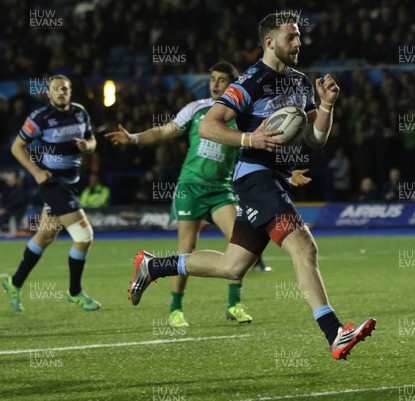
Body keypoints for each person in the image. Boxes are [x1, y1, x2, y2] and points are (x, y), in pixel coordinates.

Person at [127, 13, 375, 360]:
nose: (299, 43)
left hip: (274, 180)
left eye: (300, 36)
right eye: (291, 37)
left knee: (233, 266)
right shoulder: (250, 80)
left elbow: (315, 140)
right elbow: (209, 127)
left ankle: (153, 266)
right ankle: (334, 333)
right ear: (270, 42)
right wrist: (250, 138)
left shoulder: (302, 82)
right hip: (254, 177)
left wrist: (326, 106)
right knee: (304, 247)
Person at [107, 62, 309, 327]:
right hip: (191, 187)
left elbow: (261, 151)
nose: (215, 84)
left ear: (233, 85)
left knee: (239, 247)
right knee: (186, 247)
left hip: (222, 189)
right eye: (212, 79)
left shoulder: (242, 114)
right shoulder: (196, 109)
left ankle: (234, 305)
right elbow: (164, 132)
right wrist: (133, 138)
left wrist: (286, 173)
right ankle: (176, 309)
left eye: (221, 80)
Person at [3, 75, 100, 312]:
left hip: (71, 182)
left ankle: (14, 283)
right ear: (49, 93)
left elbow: (92, 140)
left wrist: (88, 147)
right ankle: (74, 292)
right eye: (56, 89)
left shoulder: (80, 112)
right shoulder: (40, 118)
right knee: (84, 236)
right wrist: (35, 171)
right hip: (53, 184)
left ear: (70, 91)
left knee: (45, 236)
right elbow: (17, 146)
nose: (61, 92)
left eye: (65, 88)